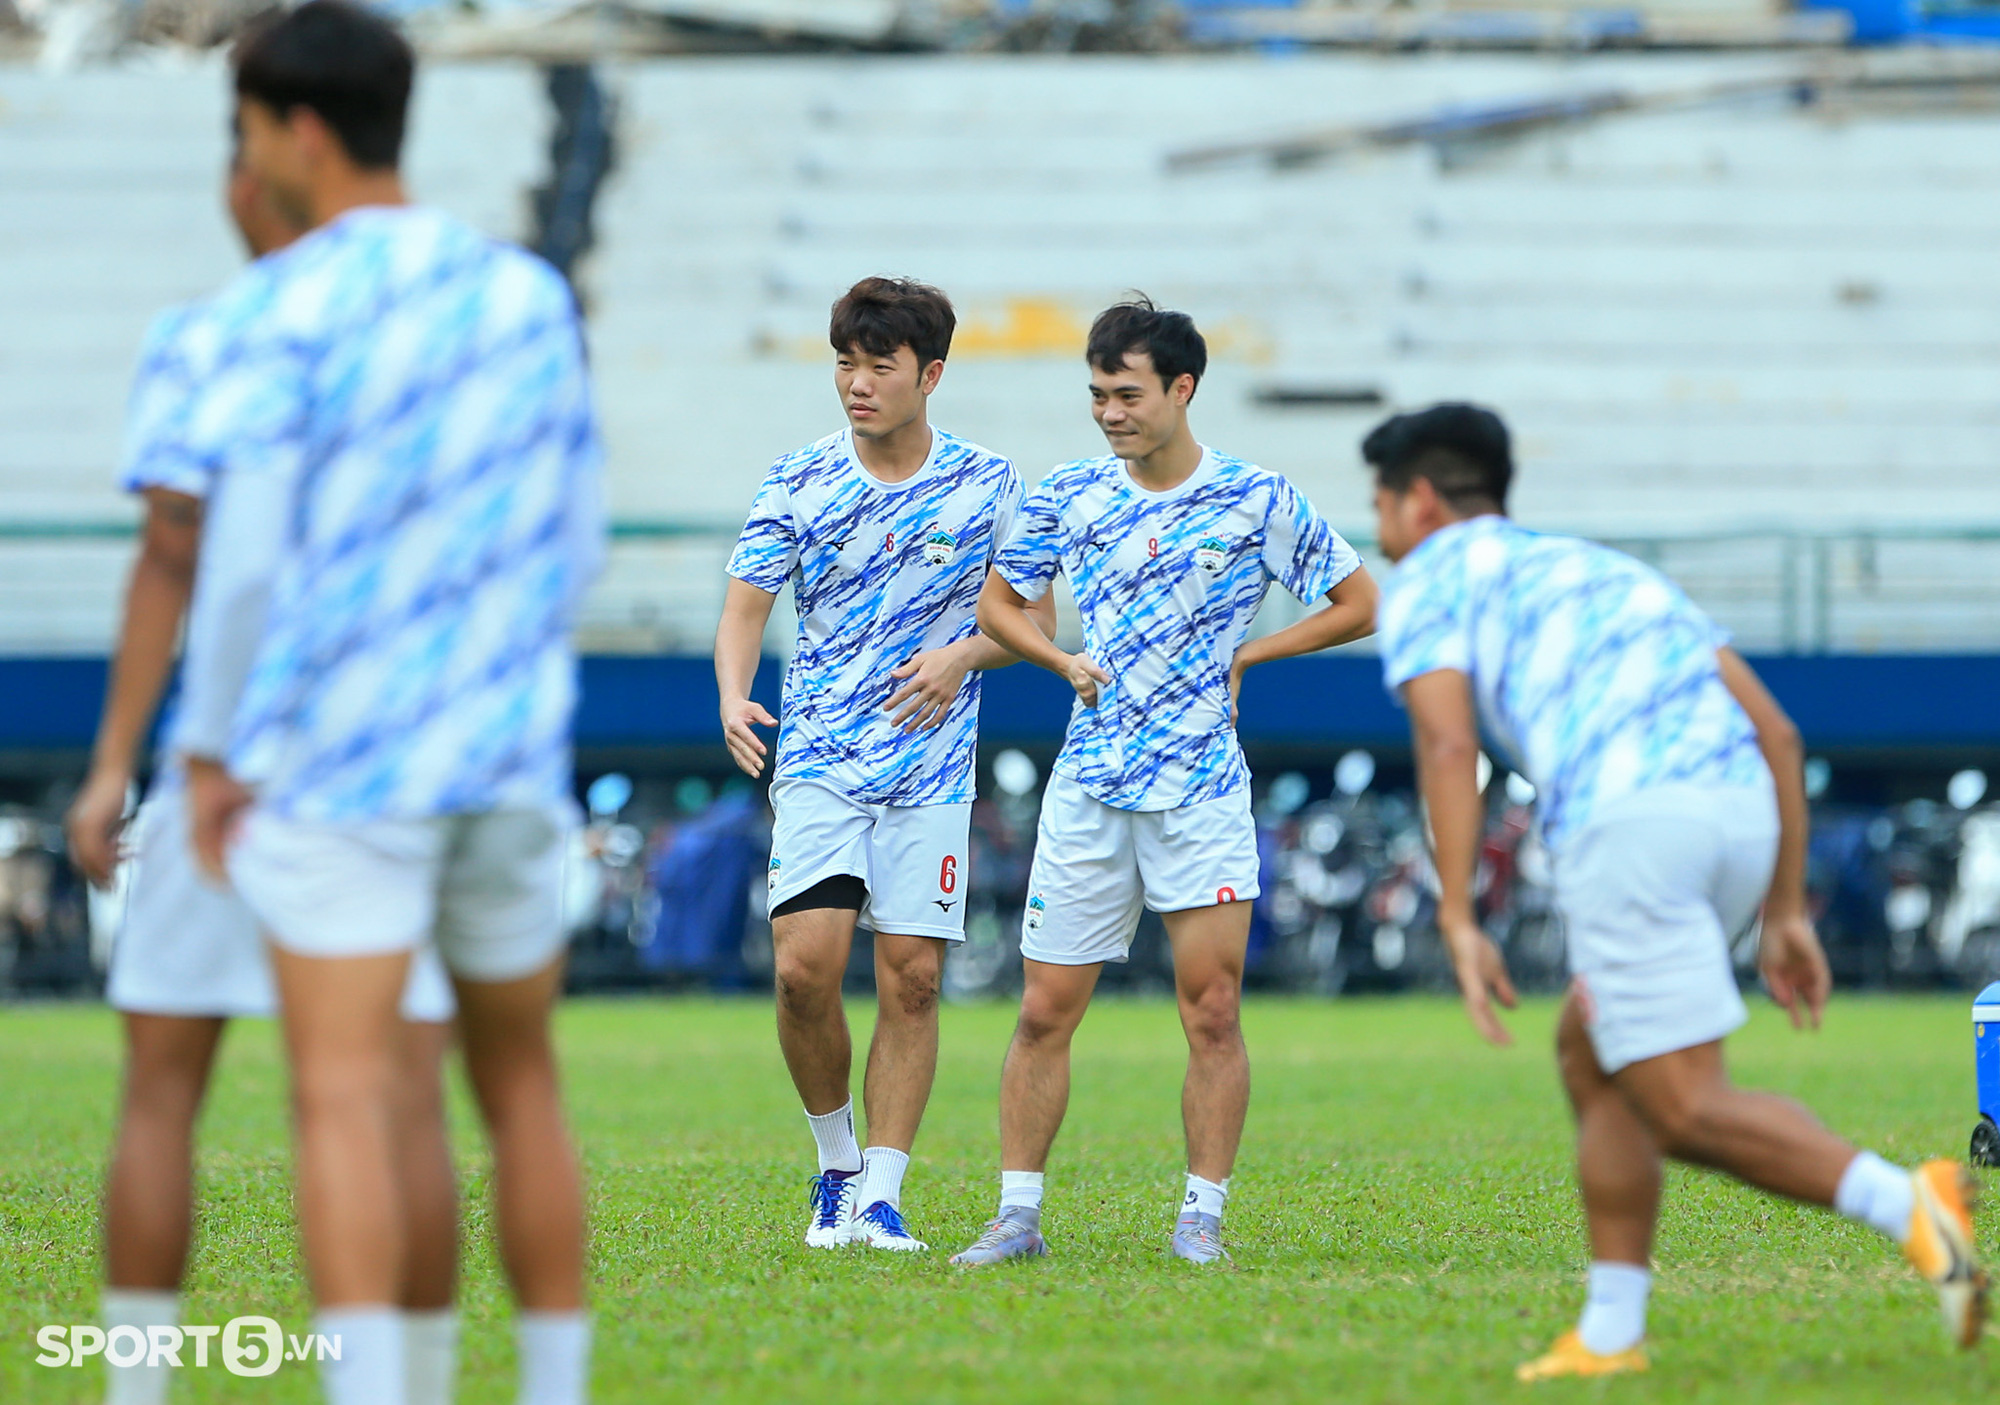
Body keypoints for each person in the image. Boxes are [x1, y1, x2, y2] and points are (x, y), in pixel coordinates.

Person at [166, 5, 604, 1401]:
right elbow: (577, 533)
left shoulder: (277, 307)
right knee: (521, 1085)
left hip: (349, 761)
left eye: (246, 133)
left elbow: (238, 565)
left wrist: (211, 747)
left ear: (297, 130)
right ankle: (550, 1384)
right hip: (507, 746)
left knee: (346, 1094)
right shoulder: (526, 291)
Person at [1366, 402, 1987, 1379]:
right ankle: (1611, 1329)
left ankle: (1907, 1201)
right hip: (1742, 810)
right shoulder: (1604, 570)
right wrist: (1782, 908)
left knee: (1683, 1106)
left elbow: (1446, 745)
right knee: (1589, 1048)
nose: (1383, 530)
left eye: (1381, 505)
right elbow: (1778, 734)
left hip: (1630, 823)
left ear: (1420, 500)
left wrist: (1454, 912)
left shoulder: (1426, 580)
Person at [69, 153, 460, 1405]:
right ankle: (403, 1381)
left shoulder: (210, 337)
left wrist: (113, 767)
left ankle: (138, 1384)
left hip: (223, 756)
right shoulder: (435, 341)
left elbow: (169, 553)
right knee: (389, 1099)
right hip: (370, 767)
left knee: (160, 1088)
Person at [956, 297, 1377, 1267]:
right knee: (1041, 1010)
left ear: (1181, 390)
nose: (1107, 411)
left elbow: (1358, 602)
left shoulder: (1255, 498)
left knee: (1212, 1009)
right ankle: (1015, 1215)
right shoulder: (1067, 494)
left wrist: (1254, 652)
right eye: (1096, 393)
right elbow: (997, 600)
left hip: (1198, 789)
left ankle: (1200, 1219)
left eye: (1126, 392)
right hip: (1090, 786)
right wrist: (1056, 658)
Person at [716, 276, 1052, 1252]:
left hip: (933, 769)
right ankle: (834, 1161)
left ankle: (880, 1195)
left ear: (929, 374)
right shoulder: (797, 478)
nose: (856, 383)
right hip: (822, 756)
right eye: (844, 363)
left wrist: (959, 655)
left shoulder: (987, 483)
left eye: (878, 365)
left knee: (910, 981)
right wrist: (735, 694)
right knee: (800, 971)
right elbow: (744, 609)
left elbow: (1034, 622)